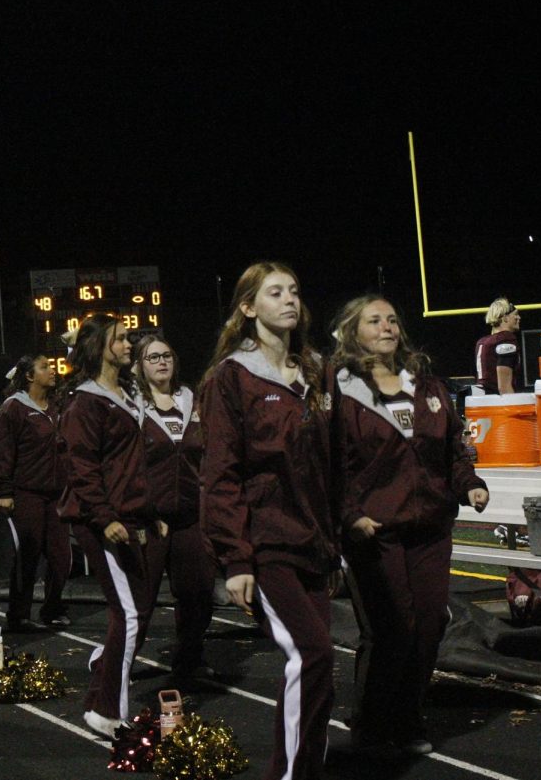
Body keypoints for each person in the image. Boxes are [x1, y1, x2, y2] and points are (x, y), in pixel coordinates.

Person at [331, 294, 490, 755]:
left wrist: (469, 484)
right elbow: (327, 463)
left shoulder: (427, 386)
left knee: (428, 626)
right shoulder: (341, 392)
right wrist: (348, 514)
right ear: (352, 333)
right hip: (374, 532)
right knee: (388, 630)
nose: (387, 327)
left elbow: (454, 449)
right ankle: (371, 722)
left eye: (392, 320)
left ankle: (408, 716)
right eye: (374, 320)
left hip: (430, 529)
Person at [199, 263, 339, 780]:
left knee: (315, 667)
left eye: (295, 292)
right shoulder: (231, 377)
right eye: (275, 293)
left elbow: (330, 468)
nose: (289, 300)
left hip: (312, 541)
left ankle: (303, 767)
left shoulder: (317, 373)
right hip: (265, 541)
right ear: (248, 308)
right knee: (311, 655)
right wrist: (236, 559)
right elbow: (220, 472)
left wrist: (334, 545)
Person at [57, 315, 159, 740]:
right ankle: (105, 710)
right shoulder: (86, 401)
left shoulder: (124, 392)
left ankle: (102, 678)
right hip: (98, 519)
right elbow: (83, 467)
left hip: (128, 514)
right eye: (120, 339)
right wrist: (107, 517)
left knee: (135, 610)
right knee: (130, 614)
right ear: (100, 347)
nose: (128, 344)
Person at [131, 334, 215, 685]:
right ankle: (114, 664)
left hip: (190, 515)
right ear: (139, 366)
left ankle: (189, 661)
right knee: (141, 601)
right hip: (150, 519)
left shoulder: (191, 401)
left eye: (166, 355)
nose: (162, 362)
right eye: (153, 358)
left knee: (198, 592)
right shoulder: (133, 405)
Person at [0, 353, 71, 632]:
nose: (53, 371)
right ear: (29, 376)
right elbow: (2, 452)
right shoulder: (13, 408)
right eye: (45, 367)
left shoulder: (57, 406)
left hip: (56, 493)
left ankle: (52, 609)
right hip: (27, 493)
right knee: (29, 555)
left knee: (62, 557)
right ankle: (18, 614)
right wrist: (2, 491)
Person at [474, 297, 522, 394]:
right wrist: (511, 406)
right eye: (516, 314)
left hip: (481, 400)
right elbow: (504, 387)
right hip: (497, 402)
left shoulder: (482, 342)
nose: (519, 317)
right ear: (505, 318)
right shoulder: (506, 338)